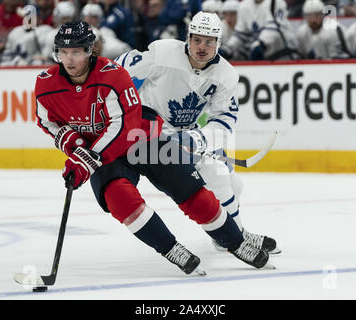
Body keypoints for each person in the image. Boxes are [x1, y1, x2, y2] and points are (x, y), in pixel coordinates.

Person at [35, 21, 272, 275]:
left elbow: (123, 127)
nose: (70, 60)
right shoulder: (46, 82)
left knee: (190, 187)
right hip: (105, 153)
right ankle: (171, 249)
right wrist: (75, 145)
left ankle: (235, 241)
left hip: (140, 137)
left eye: (77, 52)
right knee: (119, 199)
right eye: (64, 52)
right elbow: (46, 120)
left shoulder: (112, 75)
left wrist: (88, 157)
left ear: (90, 50)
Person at [115, 12, 280, 254]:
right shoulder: (162, 53)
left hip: (187, 134)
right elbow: (117, 72)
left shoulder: (226, 75)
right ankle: (236, 236)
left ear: (218, 43)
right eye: (197, 40)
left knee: (235, 184)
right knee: (218, 175)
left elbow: (225, 119)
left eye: (209, 41)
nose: (202, 47)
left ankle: (226, 234)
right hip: (147, 132)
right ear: (188, 38)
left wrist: (198, 138)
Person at [220, 0, 299, 60]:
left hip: (284, 53)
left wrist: (261, 43)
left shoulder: (276, 3)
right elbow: (241, 33)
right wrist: (229, 48)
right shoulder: (244, 6)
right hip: (264, 54)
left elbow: (274, 27)